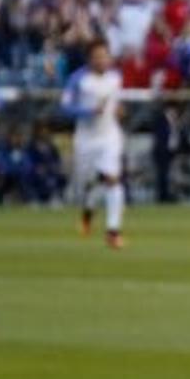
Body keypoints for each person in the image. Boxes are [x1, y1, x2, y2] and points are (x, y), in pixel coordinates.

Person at [64, 43, 128, 249]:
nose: (102, 60)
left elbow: (116, 102)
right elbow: (65, 107)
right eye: (98, 56)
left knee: (112, 178)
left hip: (109, 136)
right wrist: (88, 111)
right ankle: (87, 213)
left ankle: (113, 231)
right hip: (86, 139)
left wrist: (118, 110)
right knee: (90, 183)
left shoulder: (115, 78)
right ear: (89, 59)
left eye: (105, 56)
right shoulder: (78, 80)